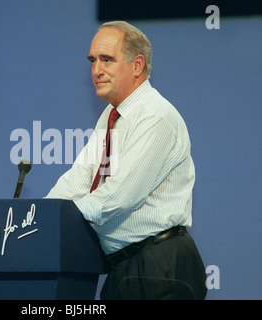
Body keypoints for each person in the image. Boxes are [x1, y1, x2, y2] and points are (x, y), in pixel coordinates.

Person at [45, 21, 207, 300]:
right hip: (125, 267)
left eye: (107, 59)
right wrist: (43, 218)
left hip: (159, 266)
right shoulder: (111, 115)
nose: (96, 70)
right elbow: (80, 178)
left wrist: (60, 221)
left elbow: (119, 196)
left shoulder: (155, 116)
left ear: (137, 65)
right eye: (93, 61)